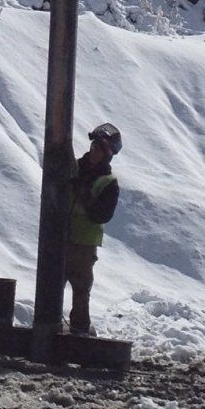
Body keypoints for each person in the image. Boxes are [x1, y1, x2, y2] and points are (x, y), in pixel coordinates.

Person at [64, 121, 122, 337]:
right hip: (60, 239)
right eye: (93, 146)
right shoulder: (73, 168)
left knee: (80, 291)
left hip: (84, 246)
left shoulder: (109, 182)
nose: (93, 150)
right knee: (52, 286)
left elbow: (103, 215)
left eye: (99, 148)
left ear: (107, 154)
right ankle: (50, 327)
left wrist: (86, 195)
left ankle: (79, 332)